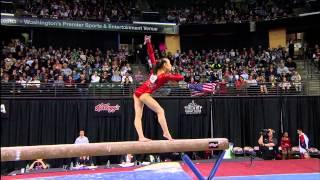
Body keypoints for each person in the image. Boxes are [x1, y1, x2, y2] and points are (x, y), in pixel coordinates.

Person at [133, 35, 184, 142]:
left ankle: (141, 137)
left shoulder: (155, 69)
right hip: (144, 94)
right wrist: (175, 73)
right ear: (165, 65)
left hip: (137, 92)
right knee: (160, 111)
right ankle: (166, 133)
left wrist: (148, 42)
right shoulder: (165, 76)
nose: (171, 65)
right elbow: (181, 77)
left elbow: (151, 54)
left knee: (138, 116)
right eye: (169, 63)